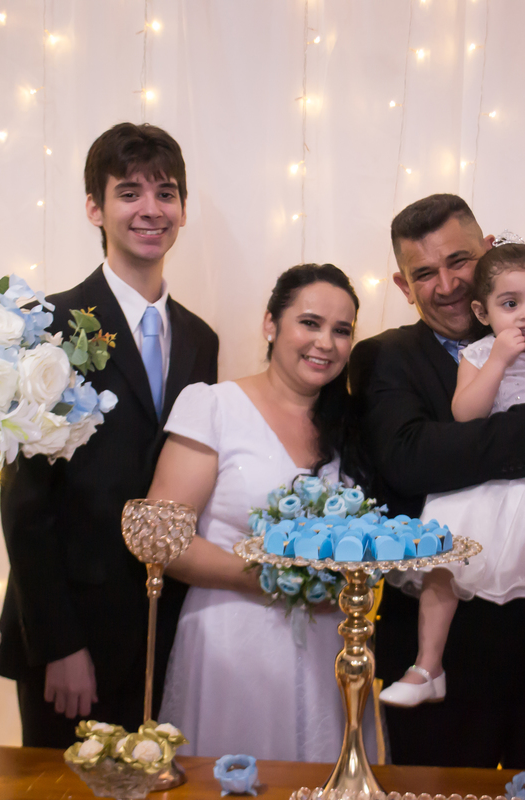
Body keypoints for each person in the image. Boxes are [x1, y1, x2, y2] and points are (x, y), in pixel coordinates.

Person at [348, 194, 525, 769]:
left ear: (488, 252)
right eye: (424, 273)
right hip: (450, 647)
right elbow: (410, 458)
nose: (446, 285)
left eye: (458, 261)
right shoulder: (385, 357)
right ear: (402, 285)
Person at [0, 122, 218, 747]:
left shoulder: (201, 339)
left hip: (166, 626)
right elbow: (24, 503)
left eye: (166, 193)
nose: (151, 209)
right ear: (95, 207)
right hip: (72, 635)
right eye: (129, 192)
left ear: (182, 209)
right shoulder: (48, 325)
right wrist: (59, 644)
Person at [149, 264, 375, 762]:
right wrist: (280, 579)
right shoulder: (213, 405)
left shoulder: (352, 426)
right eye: (310, 323)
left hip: (329, 647)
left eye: (342, 331)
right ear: (270, 324)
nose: (326, 343)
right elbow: (164, 538)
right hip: (230, 644)